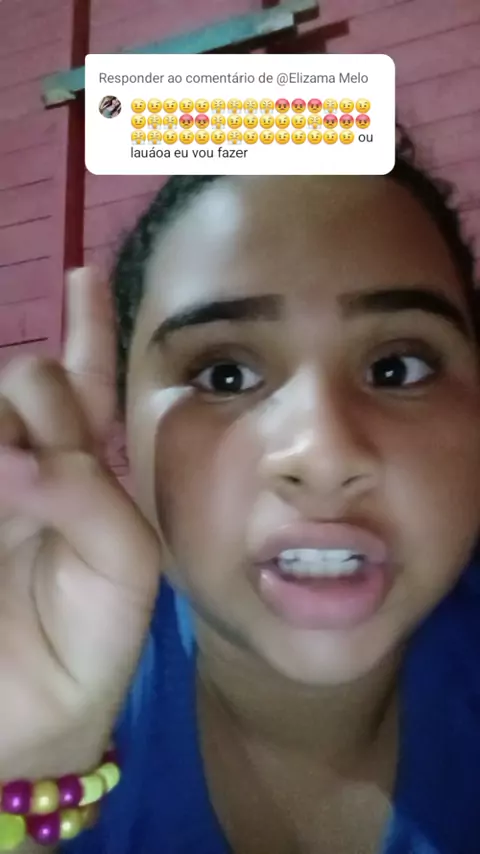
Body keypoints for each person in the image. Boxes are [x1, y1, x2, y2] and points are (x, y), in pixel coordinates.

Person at [1, 131, 480, 854]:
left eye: (398, 369)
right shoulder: (33, 657)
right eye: (224, 375)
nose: (323, 455)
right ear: (125, 431)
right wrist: (27, 764)